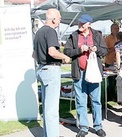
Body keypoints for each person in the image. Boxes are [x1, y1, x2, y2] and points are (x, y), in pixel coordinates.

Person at [63, 14, 108, 137]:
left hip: (93, 73)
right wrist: (79, 50)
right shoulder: (73, 36)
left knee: (96, 101)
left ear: (89, 24)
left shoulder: (97, 35)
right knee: (81, 101)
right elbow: (66, 51)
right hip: (79, 73)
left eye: (83, 23)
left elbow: (105, 50)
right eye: (79, 23)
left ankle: (98, 126)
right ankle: (83, 127)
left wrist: (96, 49)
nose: (80, 25)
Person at [33, 8, 70, 137]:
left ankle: (47, 134)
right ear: (53, 19)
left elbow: (34, 55)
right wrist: (64, 57)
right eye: (59, 18)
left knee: (47, 108)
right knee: (52, 110)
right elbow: (52, 52)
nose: (60, 20)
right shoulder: (50, 31)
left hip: (42, 69)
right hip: (51, 69)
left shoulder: (38, 33)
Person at [104, 23, 119, 102]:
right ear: (111, 30)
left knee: (117, 81)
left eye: (118, 28)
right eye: (115, 28)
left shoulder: (119, 38)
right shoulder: (107, 39)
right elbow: (104, 51)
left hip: (117, 62)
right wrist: (114, 48)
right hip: (109, 62)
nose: (117, 30)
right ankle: (111, 97)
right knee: (111, 81)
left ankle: (113, 96)